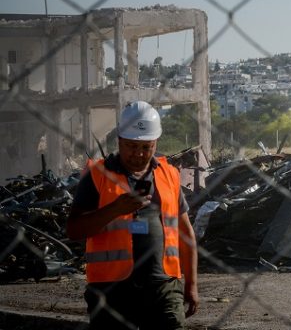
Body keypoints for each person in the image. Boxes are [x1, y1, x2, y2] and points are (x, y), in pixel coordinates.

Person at [67, 101, 199, 329]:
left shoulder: (169, 174)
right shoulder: (97, 176)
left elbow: (185, 233)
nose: (139, 154)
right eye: (131, 146)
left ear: (156, 142)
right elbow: (74, 230)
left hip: (163, 286)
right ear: (119, 141)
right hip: (111, 290)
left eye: (146, 147)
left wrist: (191, 285)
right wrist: (115, 209)